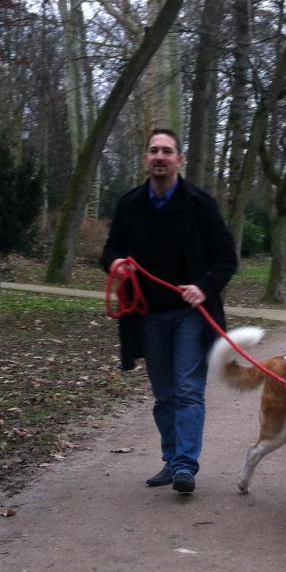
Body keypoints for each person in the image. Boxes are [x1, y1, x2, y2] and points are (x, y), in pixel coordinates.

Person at [100, 129, 238, 495]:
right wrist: (117, 263)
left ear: (179, 159)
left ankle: (185, 466)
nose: (159, 156)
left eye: (167, 151)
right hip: (148, 315)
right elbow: (110, 249)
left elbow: (227, 258)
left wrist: (204, 287)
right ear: (146, 158)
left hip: (191, 313)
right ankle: (172, 458)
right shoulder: (130, 204)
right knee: (163, 394)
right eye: (153, 151)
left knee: (188, 389)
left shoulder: (200, 204)